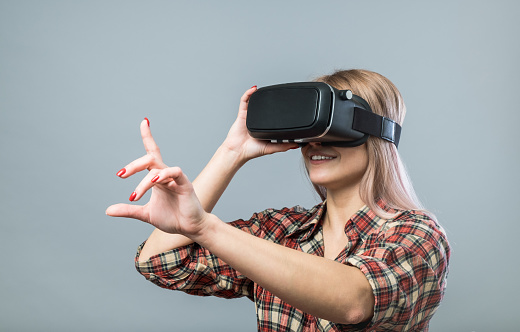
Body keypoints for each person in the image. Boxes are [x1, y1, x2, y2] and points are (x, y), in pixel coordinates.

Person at [106, 69, 450, 331]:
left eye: (331, 127)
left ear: (376, 131)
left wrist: (203, 226)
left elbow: (355, 301)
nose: (315, 142)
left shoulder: (417, 235)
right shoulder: (280, 230)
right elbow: (163, 264)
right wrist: (231, 153)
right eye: (309, 130)